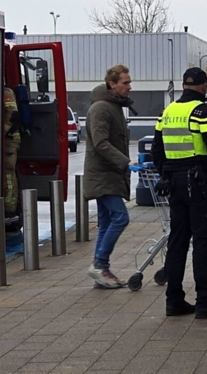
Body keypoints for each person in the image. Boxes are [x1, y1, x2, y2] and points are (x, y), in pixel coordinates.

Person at [151, 68, 207, 319]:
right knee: (204, 242)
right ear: (203, 86)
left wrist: (166, 174)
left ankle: (173, 300)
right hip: (198, 183)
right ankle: (205, 302)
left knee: (177, 242)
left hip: (174, 183)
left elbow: (156, 150)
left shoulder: (167, 112)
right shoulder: (203, 113)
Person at [84, 65, 135, 289]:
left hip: (110, 174)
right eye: (125, 83)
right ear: (112, 84)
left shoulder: (113, 106)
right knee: (120, 218)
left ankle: (100, 270)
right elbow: (100, 142)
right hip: (103, 175)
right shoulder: (101, 108)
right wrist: (125, 161)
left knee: (106, 222)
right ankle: (100, 265)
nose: (129, 87)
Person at [2, 87, 22, 216]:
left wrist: (0, 131)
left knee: (8, 174)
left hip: (9, 140)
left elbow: (12, 116)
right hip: (5, 140)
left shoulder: (6, 93)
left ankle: (10, 207)